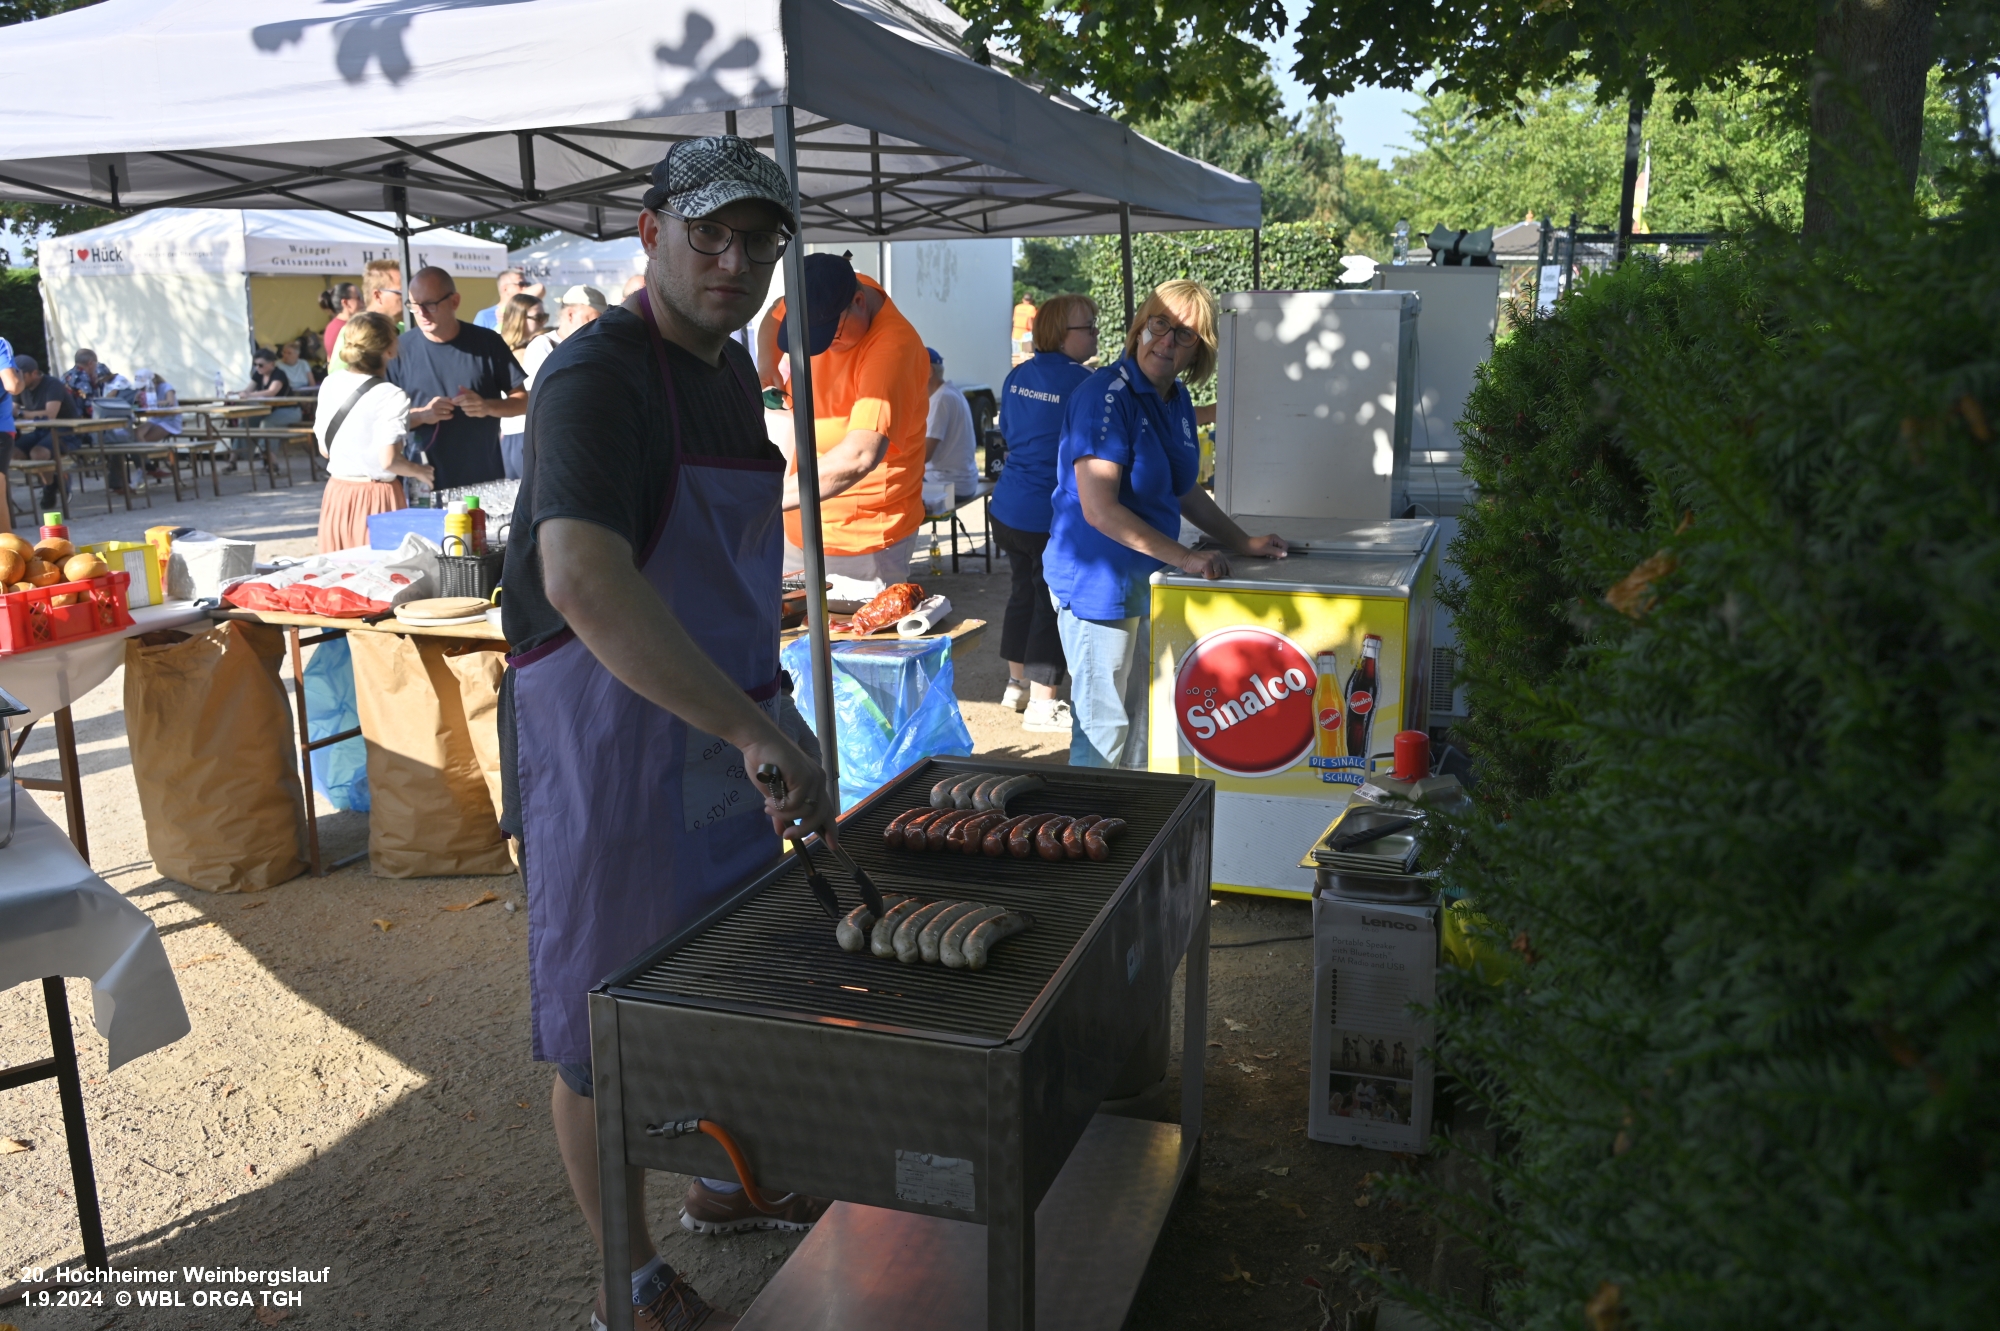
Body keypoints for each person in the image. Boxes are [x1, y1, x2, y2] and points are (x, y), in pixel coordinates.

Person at [499, 133, 835, 1331]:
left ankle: (721, 1180)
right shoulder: (597, 377)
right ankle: (628, 1280)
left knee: (723, 975)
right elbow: (582, 579)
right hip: (602, 740)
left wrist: (771, 713)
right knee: (604, 1029)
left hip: (718, 723)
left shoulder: (732, 372)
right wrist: (749, 725)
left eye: (757, 241)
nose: (733, 261)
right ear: (650, 232)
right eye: (709, 235)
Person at [1044, 280, 1289, 768]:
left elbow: (1182, 489)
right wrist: (1188, 558)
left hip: (1147, 578)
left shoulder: (1175, 398)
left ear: (1199, 350)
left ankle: (1128, 814)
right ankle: (1084, 815)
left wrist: (1241, 541)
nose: (1167, 341)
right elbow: (1099, 509)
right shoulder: (1105, 395)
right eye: (1160, 324)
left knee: (1143, 723)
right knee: (1103, 729)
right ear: (1140, 327)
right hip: (1098, 584)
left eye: (1185, 334)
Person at [755, 253, 930, 583]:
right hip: (799, 515)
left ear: (859, 303)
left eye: (830, 336)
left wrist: (763, 498)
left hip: (860, 537)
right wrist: (767, 365)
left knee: (859, 620)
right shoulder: (825, 290)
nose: (821, 349)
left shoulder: (892, 348)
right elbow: (775, 312)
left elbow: (860, 455)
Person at [990, 293, 1097, 731]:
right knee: (1049, 604)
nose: (1096, 333)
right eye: (1088, 327)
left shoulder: (1017, 375)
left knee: (1022, 593)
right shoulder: (1085, 383)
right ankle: (1043, 703)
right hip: (1045, 514)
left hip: (1008, 507)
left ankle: (1016, 686)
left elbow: (1007, 432)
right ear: (1061, 334)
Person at [390, 266, 526, 490]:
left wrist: (487, 406)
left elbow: (523, 401)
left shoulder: (487, 343)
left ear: (454, 301)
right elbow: (382, 422)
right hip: (422, 483)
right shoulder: (398, 350)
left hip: (482, 480)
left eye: (430, 304)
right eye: (414, 305)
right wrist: (423, 415)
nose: (421, 313)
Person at [314, 313, 433, 553]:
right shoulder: (391, 395)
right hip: (377, 497)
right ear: (389, 349)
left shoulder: (329, 383)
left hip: (337, 493)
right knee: (380, 570)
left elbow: (325, 450)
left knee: (340, 571)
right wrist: (421, 471)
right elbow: (389, 460)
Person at [14, 354, 80, 509]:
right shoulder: (19, 386)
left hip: (66, 431)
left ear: (34, 373)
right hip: (41, 430)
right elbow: (12, 409)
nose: (17, 380)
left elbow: (50, 414)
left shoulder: (52, 384)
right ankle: (55, 480)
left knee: (38, 454)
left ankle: (49, 487)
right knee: (13, 454)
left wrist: (21, 413)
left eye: (21, 376)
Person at [497, 292, 548, 479]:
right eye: (538, 317)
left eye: (545, 316)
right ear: (518, 319)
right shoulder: (501, 349)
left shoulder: (535, 348)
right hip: (516, 434)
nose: (543, 322)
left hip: (518, 433)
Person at [921, 348, 979, 512]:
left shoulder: (941, 400)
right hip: (963, 481)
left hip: (949, 484)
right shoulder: (951, 393)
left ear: (929, 371)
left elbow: (924, 455)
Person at [519, 284, 606, 386]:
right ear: (570, 315)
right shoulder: (542, 346)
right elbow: (537, 390)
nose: (598, 326)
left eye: (601, 321)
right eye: (592, 321)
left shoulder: (598, 346)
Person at [326, 260, 404, 369]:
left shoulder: (406, 328)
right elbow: (339, 376)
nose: (410, 297)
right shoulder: (354, 332)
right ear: (378, 296)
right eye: (401, 292)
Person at [473, 267, 540, 330]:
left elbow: (540, 288)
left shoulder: (527, 311)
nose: (526, 288)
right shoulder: (485, 316)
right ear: (505, 289)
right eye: (521, 284)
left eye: (527, 284)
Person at [319, 282, 362, 353]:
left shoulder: (331, 326)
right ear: (345, 302)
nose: (363, 302)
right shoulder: (349, 329)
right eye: (359, 298)